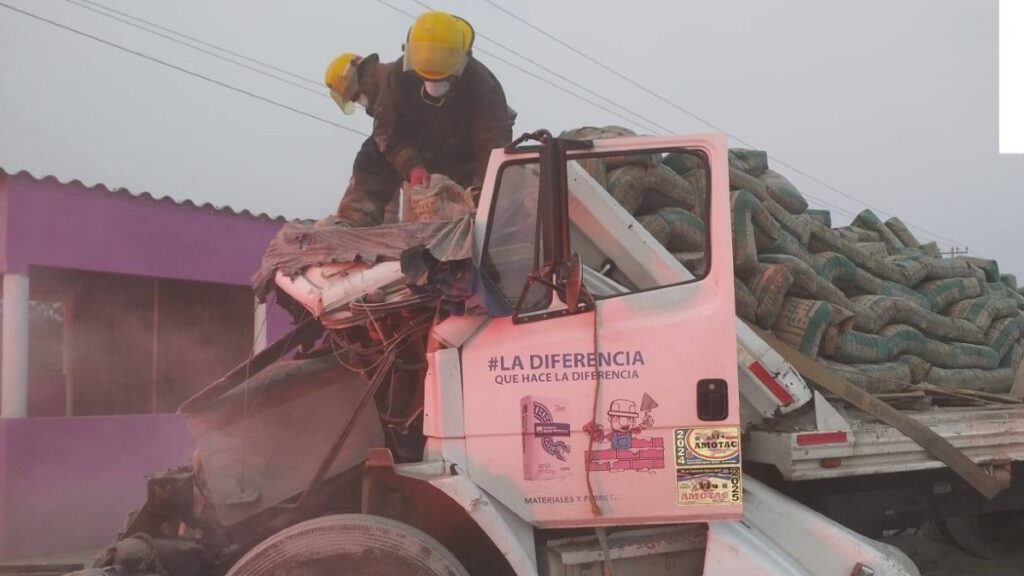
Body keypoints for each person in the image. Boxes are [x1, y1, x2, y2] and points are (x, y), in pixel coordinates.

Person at [324, 11, 513, 227]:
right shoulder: (398, 79)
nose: (433, 88)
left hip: (467, 153)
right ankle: (354, 221)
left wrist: (483, 198)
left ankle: (481, 221)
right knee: (372, 152)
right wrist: (412, 166)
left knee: (491, 192)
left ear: (460, 63)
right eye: (426, 79)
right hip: (425, 149)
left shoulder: (484, 87)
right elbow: (390, 134)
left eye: (441, 80)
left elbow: (493, 146)